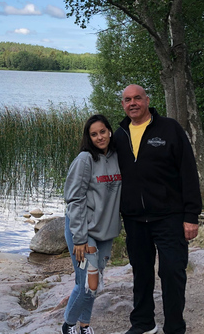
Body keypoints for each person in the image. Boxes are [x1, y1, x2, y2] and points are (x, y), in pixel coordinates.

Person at [114, 84, 202, 334]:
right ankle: (143, 323)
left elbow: (188, 172)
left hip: (169, 216)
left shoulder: (169, 128)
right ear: (123, 104)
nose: (133, 103)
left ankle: (174, 326)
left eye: (137, 98)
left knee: (172, 271)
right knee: (141, 273)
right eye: (127, 99)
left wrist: (191, 215)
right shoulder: (119, 135)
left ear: (147, 100)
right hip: (134, 219)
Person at [62, 114, 123, 334]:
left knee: (94, 284)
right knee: (88, 282)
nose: (99, 137)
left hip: (106, 230)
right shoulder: (85, 160)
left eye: (103, 132)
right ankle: (68, 326)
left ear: (110, 131)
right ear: (89, 137)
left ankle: (85, 325)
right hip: (84, 229)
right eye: (94, 134)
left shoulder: (117, 156)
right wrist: (79, 238)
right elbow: (75, 199)